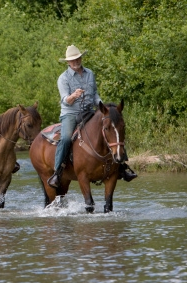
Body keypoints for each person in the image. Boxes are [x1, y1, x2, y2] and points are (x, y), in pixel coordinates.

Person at [47, 45, 137, 188]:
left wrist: (103, 107)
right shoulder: (63, 78)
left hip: (89, 111)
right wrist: (73, 96)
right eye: (73, 60)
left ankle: (122, 167)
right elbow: (65, 100)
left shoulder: (90, 73)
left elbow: (94, 94)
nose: (76, 61)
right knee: (65, 138)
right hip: (71, 113)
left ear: (81, 58)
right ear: (68, 62)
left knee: (113, 128)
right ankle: (57, 173)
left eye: (78, 58)